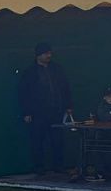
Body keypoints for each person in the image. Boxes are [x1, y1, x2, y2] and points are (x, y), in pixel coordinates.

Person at [17, 42, 72, 174]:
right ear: (38, 55)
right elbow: (24, 93)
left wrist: (68, 105)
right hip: (38, 113)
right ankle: (39, 167)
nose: (49, 55)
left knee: (57, 140)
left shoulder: (57, 69)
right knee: (37, 140)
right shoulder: (30, 72)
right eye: (46, 53)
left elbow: (65, 88)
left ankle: (58, 166)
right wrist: (27, 112)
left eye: (49, 53)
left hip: (56, 110)